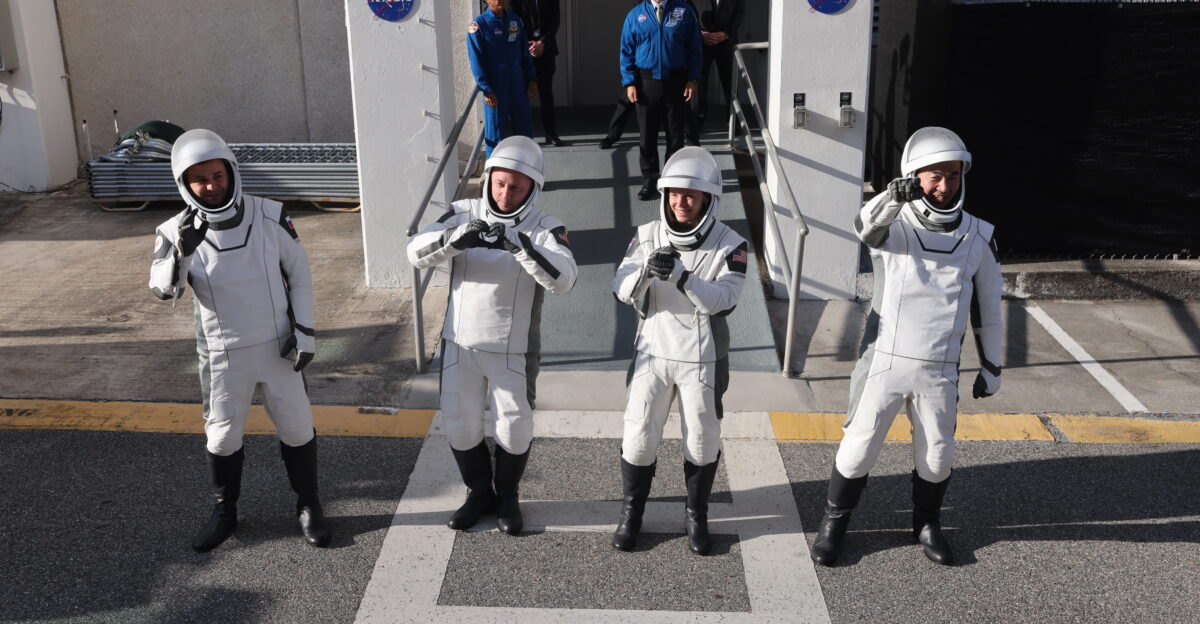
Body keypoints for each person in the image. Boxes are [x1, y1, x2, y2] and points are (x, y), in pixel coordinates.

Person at [810, 127, 1002, 567]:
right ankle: (833, 524)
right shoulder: (894, 225)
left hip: (940, 368)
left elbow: (989, 310)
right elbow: (864, 228)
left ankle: (926, 522)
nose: (944, 186)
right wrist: (893, 197)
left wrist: (992, 367)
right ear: (914, 176)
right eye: (934, 176)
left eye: (952, 176)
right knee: (858, 449)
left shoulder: (979, 236)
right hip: (885, 361)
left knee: (937, 458)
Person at [149, 129, 331, 552]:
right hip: (223, 355)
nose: (211, 186)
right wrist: (182, 252)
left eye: (218, 175)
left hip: (280, 349)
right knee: (222, 438)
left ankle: (309, 505)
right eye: (200, 180)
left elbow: (300, 273)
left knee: (298, 429)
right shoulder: (175, 229)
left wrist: (304, 332)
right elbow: (162, 290)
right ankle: (224, 512)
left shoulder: (270, 214)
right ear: (184, 183)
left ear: (232, 172)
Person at [407, 136, 577, 536]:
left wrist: (518, 245)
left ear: (533, 188)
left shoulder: (546, 226)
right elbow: (413, 252)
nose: (505, 193)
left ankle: (507, 497)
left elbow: (565, 279)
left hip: (512, 349)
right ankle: (478, 492)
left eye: (516, 186)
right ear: (488, 180)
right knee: (459, 424)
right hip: (458, 344)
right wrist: (454, 239)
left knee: (514, 426)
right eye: (500, 183)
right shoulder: (462, 211)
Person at [610, 146, 747, 555]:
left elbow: (726, 299)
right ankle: (631, 513)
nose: (680, 202)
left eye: (690, 195)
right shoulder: (647, 233)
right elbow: (620, 285)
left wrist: (684, 277)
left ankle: (696, 515)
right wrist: (645, 276)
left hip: (702, 357)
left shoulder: (732, 243)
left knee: (702, 441)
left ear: (708, 199)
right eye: (673, 193)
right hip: (652, 349)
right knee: (637, 438)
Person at [619, 0, 703, 200]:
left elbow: (694, 47)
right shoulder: (635, 15)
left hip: (676, 82)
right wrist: (629, 83)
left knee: (675, 136)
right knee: (647, 135)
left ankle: (672, 180)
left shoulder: (684, 11)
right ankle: (649, 180)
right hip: (647, 83)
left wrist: (692, 79)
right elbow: (626, 51)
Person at [469, 0, 538, 157]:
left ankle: (527, 175)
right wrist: (486, 89)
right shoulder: (478, 25)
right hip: (495, 89)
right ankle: (493, 177)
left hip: (517, 86)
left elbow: (524, 54)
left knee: (524, 134)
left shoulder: (515, 20)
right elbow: (476, 61)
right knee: (495, 137)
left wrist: (532, 79)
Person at [684, 0, 745, 146]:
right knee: (698, 82)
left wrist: (726, 34)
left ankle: (733, 122)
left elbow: (739, 11)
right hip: (700, 43)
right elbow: (688, 10)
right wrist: (699, 33)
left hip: (726, 42)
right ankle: (697, 122)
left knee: (730, 81)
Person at [510, 0, 562, 147]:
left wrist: (542, 43)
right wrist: (529, 46)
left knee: (546, 94)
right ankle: (522, 138)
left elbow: (555, 21)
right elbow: (514, 23)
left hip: (546, 50)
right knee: (521, 95)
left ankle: (551, 134)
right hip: (523, 52)